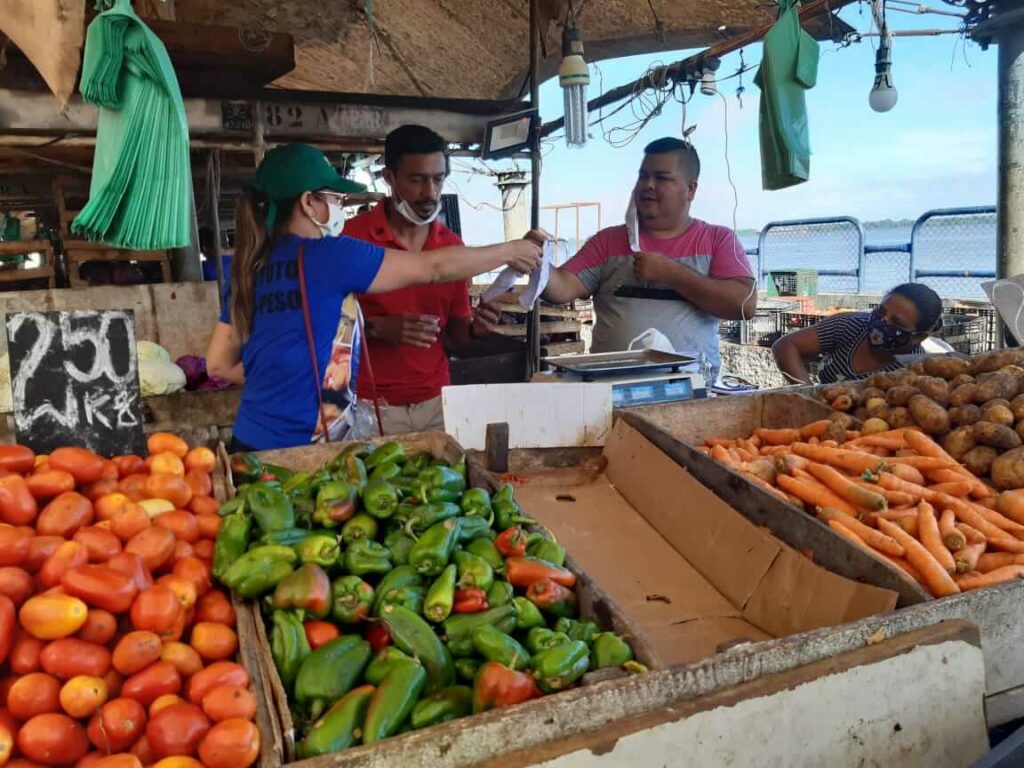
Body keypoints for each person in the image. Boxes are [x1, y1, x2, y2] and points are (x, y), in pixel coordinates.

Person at [205, 143, 540, 451]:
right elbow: (433, 267)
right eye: (334, 198)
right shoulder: (328, 256)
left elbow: (217, 363)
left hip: (248, 443)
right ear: (309, 203)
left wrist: (278, 378)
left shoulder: (249, 267)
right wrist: (510, 250)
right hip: (305, 450)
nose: (339, 206)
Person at [540, 137, 756, 381]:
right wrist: (536, 261)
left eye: (662, 178)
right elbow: (561, 288)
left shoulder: (717, 239)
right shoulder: (607, 242)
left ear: (690, 190)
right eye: (644, 176)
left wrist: (671, 273)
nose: (648, 185)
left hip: (692, 391)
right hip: (610, 390)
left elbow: (744, 305)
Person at [346, 125, 500, 434]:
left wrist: (477, 330)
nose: (430, 193)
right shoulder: (351, 238)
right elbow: (324, 331)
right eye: (417, 180)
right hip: (369, 405)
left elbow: (458, 334)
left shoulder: (453, 248)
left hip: (437, 403)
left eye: (438, 179)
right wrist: (377, 327)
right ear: (389, 178)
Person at [772, 283, 943, 385]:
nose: (882, 321)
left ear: (919, 337)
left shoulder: (915, 371)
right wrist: (807, 393)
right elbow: (786, 346)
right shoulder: (850, 325)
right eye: (880, 311)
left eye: (897, 323)